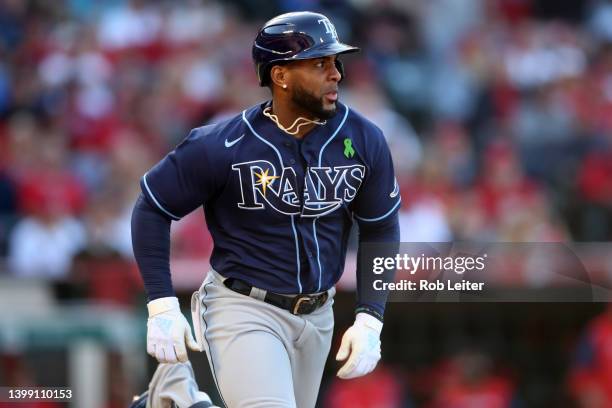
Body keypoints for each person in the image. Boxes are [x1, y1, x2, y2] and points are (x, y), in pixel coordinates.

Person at [131, 11, 400, 408]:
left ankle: (179, 400)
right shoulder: (220, 144)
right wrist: (162, 304)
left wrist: (370, 316)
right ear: (281, 75)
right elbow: (152, 207)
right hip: (244, 306)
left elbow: (380, 228)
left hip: (318, 314)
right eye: (320, 63)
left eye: (336, 62)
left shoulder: (365, 138)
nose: (336, 74)